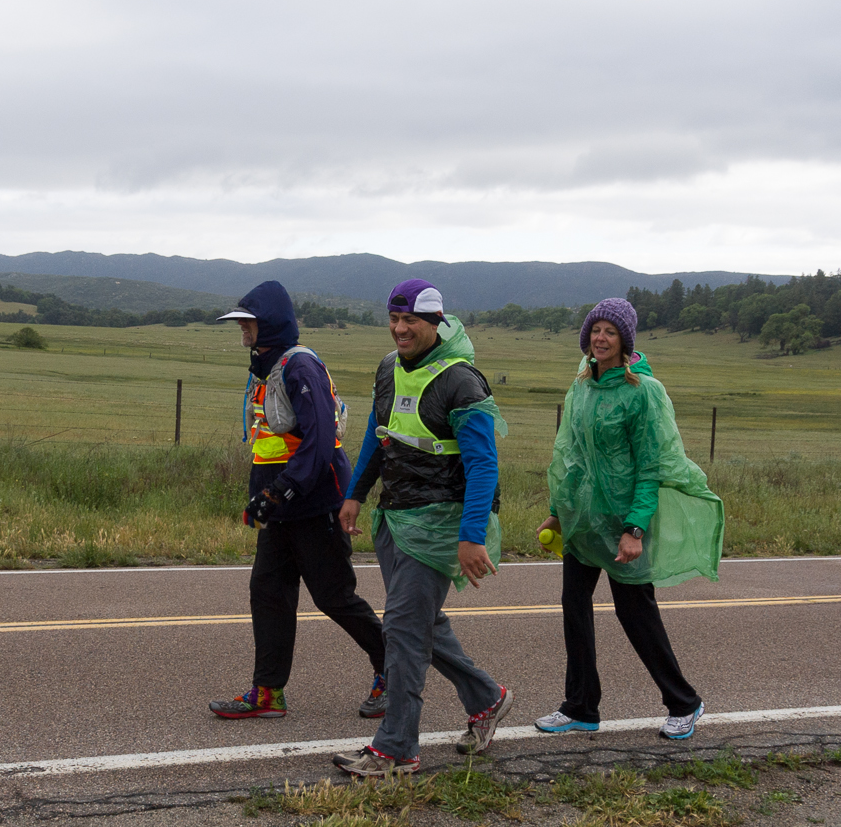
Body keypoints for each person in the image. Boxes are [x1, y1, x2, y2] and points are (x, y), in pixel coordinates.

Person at [333, 280, 513, 777]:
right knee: (422, 625)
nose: (399, 329)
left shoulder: (461, 382)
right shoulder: (389, 368)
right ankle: (487, 698)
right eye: (393, 319)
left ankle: (395, 749)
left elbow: (483, 467)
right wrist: (356, 493)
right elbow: (377, 431)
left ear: (435, 322)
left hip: (440, 526)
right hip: (395, 516)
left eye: (410, 320)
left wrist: (472, 536)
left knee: (404, 632)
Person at [536, 297, 724, 741]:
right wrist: (556, 512)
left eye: (610, 332)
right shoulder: (580, 387)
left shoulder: (643, 392)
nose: (600, 338)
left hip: (626, 522)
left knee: (634, 614)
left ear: (625, 341)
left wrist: (635, 528)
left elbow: (651, 465)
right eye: (595, 330)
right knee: (574, 609)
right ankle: (581, 706)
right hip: (583, 519)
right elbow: (569, 455)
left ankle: (684, 702)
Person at [208, 281, 390, 720]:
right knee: (268, 592)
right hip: (282, 509)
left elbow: (321, 441)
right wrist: (263, 498)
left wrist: (280, 491)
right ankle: (268, 692)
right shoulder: (265, 369)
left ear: (268, 323)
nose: (243, 332)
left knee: (334, 597)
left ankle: (394, 670)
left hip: (314, 505)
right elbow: (270, 442)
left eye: (248, 323)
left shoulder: (299, 365)